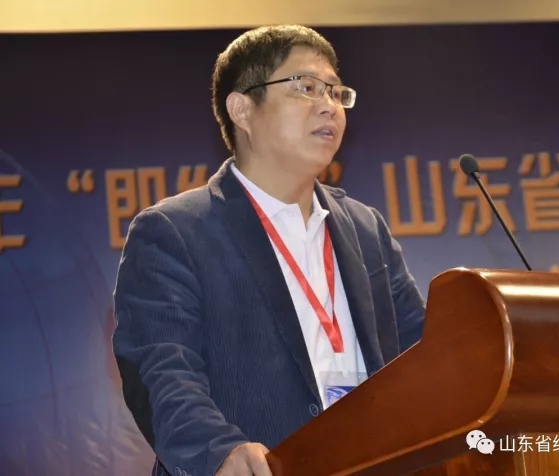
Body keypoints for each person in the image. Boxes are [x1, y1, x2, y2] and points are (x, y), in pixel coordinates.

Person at [112, 24, 426, 476]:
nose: (329, 106)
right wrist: (217, 451)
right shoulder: (174, 232)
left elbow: (421, 354)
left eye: (336, 92)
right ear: (242, 109)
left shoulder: (365, 228)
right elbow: (161, 369)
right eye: (306, 87)